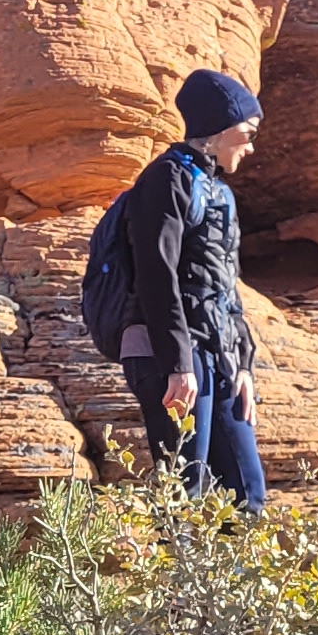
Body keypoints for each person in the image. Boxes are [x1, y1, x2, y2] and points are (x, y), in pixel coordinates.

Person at [118, 69, 268, 512]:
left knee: (246, 494)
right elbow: (156, 275)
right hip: (173, 356)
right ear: (219, 128)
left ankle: (234, 584)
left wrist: (242, 363)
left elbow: (225, 284)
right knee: (185, 491)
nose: (251, 145)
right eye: (247, 132)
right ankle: (174, 582)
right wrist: (178, 364)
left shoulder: (218, 191)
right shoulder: (166, 179)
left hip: (216, 357)